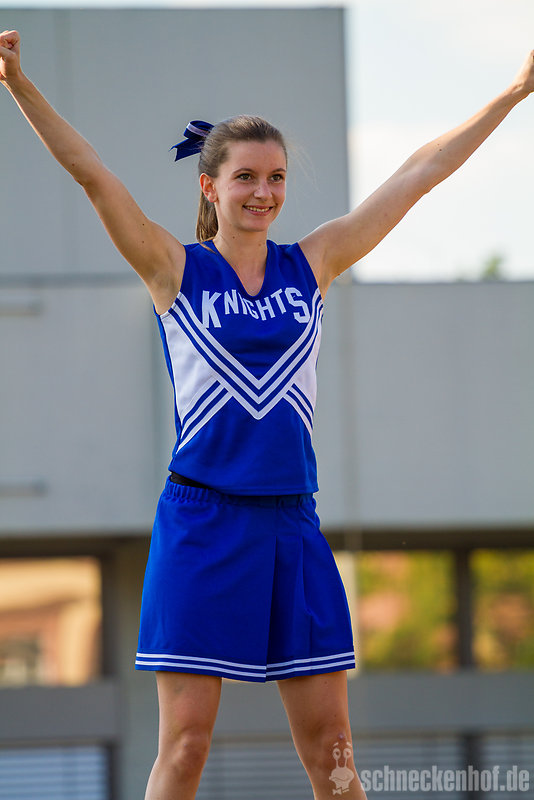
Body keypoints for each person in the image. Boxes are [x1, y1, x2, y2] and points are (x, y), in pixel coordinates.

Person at [1, 27, 533, 800]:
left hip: (291, 524)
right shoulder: (173, 269)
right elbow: (91, 174)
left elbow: (418, 175)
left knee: (333, 755)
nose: (263, 192)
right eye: (245, 176)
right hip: (202, 522)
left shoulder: (312, 263)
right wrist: (18, 83)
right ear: (210, 187)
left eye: (276, 177)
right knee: (186, 746)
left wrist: (514, 91)